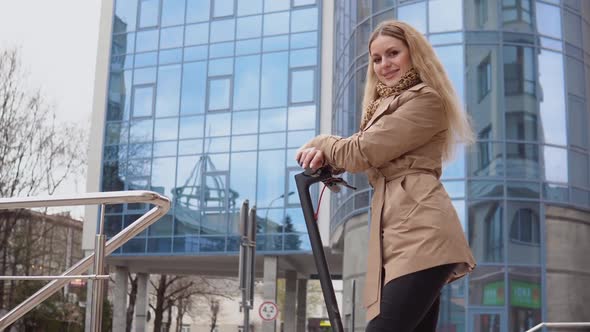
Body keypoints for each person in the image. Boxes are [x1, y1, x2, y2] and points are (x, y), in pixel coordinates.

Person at [295, 20, 477, 332]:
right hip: (400, 235)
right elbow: (365, 150)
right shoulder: (384, 106)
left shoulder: (425, 100)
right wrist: (328, 158)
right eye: (376, 58)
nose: (384, 65)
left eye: (393, 53)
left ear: (414, 54)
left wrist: (321, 142)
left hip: (422, 235)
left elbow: (360, 152)